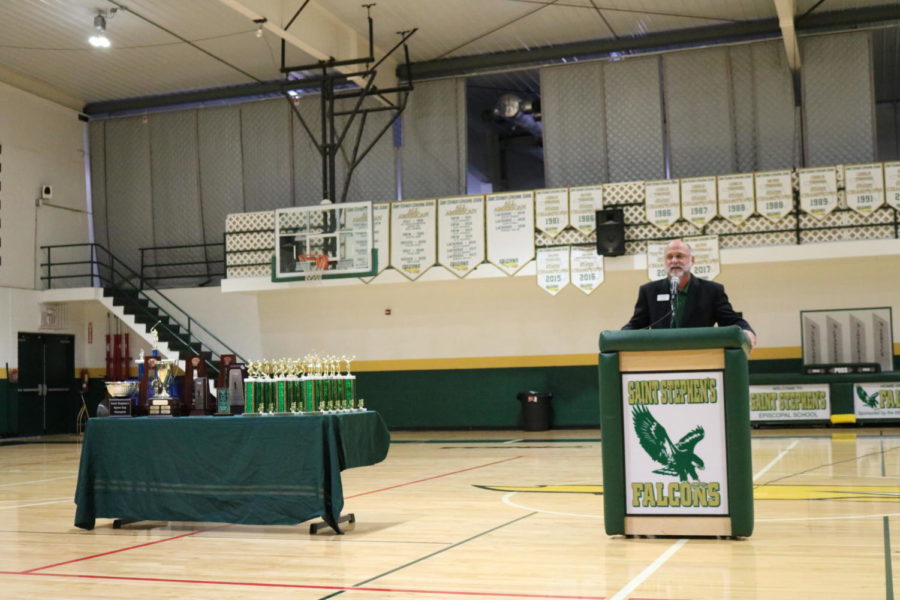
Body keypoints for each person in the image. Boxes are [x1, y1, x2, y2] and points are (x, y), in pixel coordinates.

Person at [622, 239, 757, 348]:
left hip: (700, 356)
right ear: (664, 262)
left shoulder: (712, 291)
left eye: (680, 256)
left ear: (692, 260)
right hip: (661, 358)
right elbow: (637, 325)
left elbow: (730, 320)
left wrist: (746, 331)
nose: (674, 261)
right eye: (669, 257)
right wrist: (620, 336)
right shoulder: (649, 291)